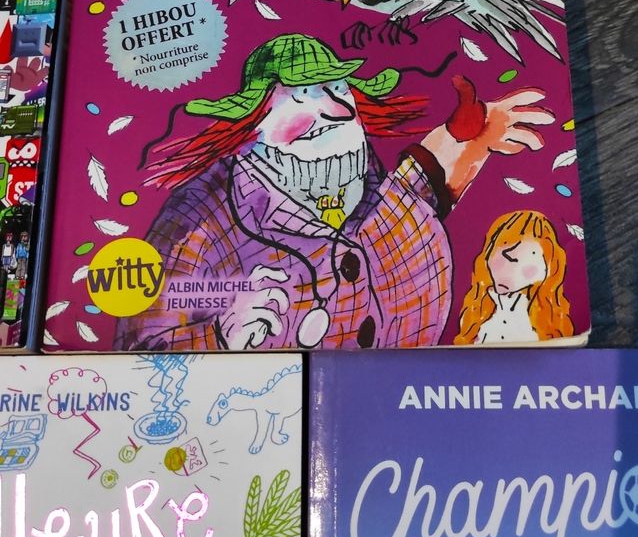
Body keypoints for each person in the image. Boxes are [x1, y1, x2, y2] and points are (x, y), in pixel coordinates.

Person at [114, 34, 554, 352]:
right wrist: (219, 336)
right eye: (301, 96)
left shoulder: (368, 184)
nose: (331, 110)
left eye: (337, 89)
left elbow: (414, 194)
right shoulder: (201, 218)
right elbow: (141, 347)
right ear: (255, 118)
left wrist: (468, 138)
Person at [454, 210, 573, 345]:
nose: (508, 272)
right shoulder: (478, 308)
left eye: (524, 264)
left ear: (546, 269)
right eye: (504, 257)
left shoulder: (543, 316)